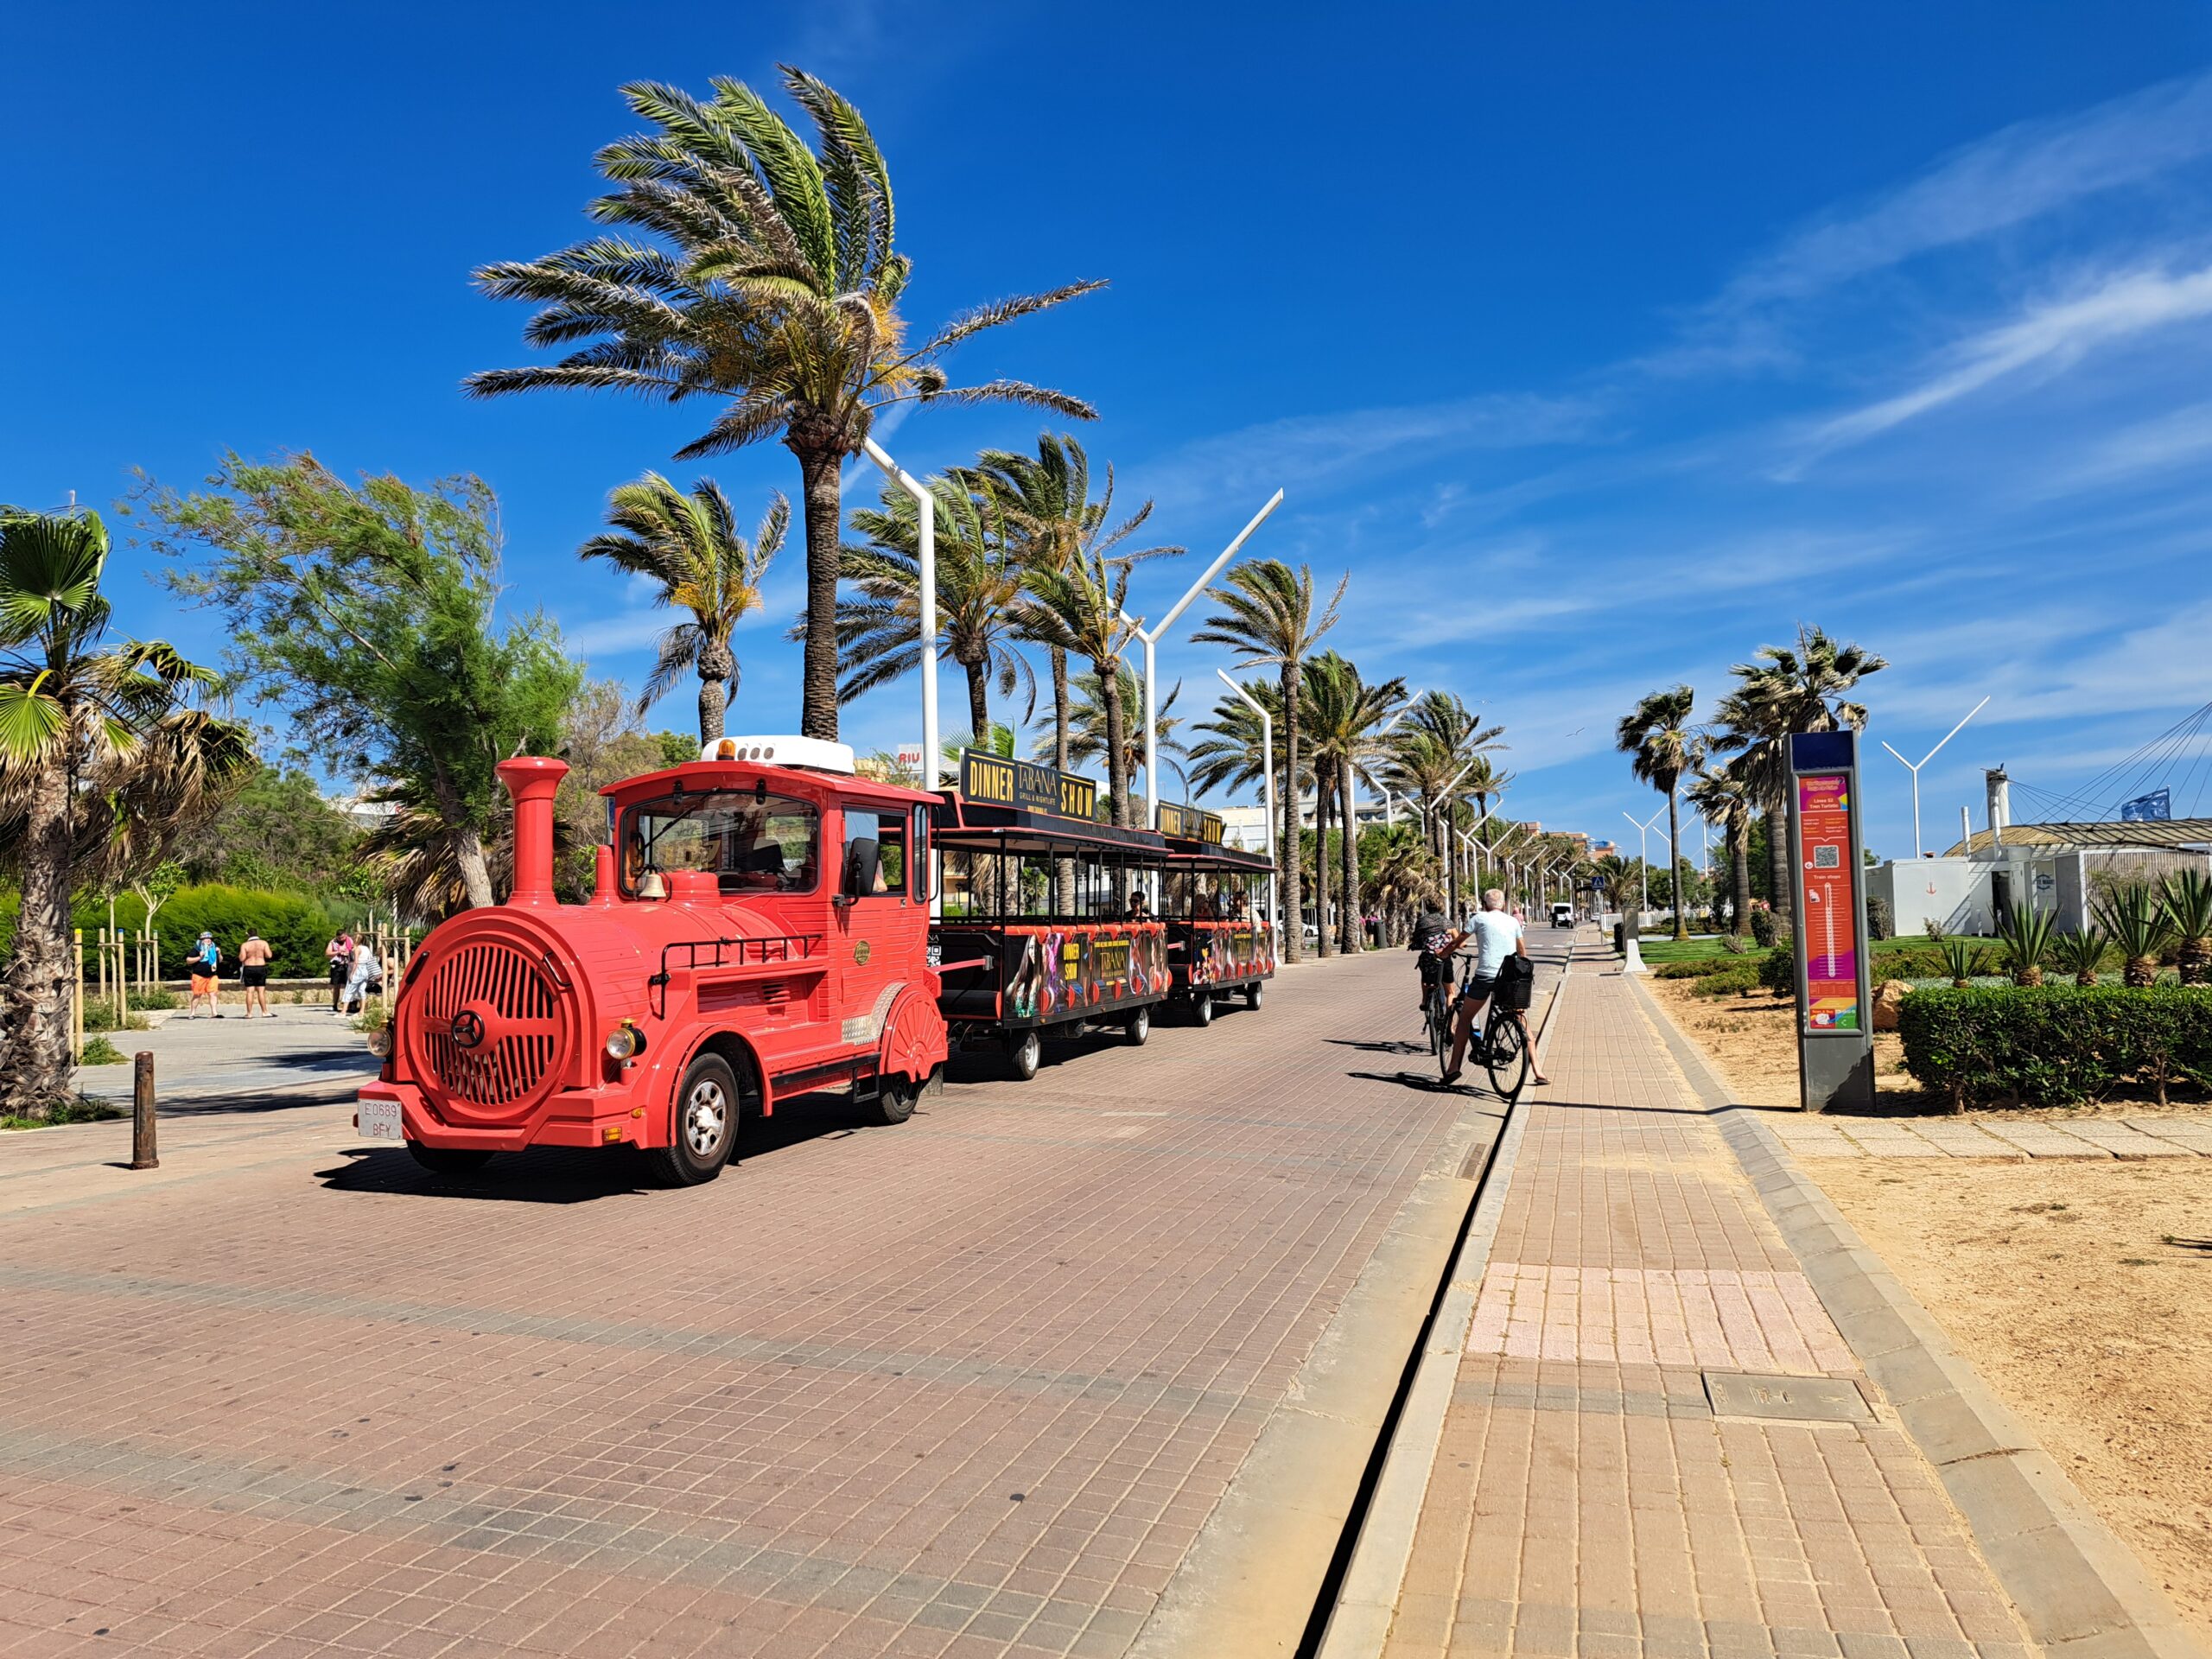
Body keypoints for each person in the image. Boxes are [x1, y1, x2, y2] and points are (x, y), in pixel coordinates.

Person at [1439, 889, 1549, 1087]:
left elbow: (1458, 941)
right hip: (1508, 979)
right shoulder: (1513, 921)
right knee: (1521, 1021)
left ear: (1484, 903)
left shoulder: (1479, 918)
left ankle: (1454, 1068)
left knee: (1464, 1019)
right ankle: (1538, 1071)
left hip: (1486, 976)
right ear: (1504, 905)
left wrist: (1444, 953)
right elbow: (1521, 950)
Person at [185, 931, 224, 1019]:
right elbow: (188, 960)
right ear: (202, 940)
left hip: (212, 974)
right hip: (199, 975)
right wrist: (199, 957)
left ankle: (214, 1013)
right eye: (206, 938)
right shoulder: (197, 949)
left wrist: (219, 953)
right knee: (197, 994)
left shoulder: (214, 948)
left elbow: (220, 960)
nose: (209, 940)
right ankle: (192, 1013)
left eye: (210, 938)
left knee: (213, 994)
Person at [238, 929, 275, 1019]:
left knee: (250, 992)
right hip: (260, 967)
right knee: (261, 991)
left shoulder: (245, 945)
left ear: (248, 935)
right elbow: (269, 955)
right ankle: (264, 1012)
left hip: (249, 968)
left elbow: (242, 958)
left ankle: (249, 1014)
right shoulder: (264, 943)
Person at [343, 936, 383, 1016]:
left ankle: (343, 1011)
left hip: (358, 969)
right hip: (365, 970)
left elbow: (356, 962)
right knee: (362, 990)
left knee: (349, 989)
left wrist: (352, 973)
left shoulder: (357, 949)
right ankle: (362, 1011)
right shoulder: (366, 948)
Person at [326, 931, 353, 1013]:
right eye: (340, 938)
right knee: (336, 986)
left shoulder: (350, 941)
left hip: (348, 965)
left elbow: (355, 951)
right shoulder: (333, 942)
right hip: (337, 966)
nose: (341, 939)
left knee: (349, 986)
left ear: (346, 935)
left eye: (343, 937)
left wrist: (348, 953)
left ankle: (350, 1005)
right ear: (337, 937)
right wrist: (338, 952)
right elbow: (327, 953)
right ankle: (335, 1005)